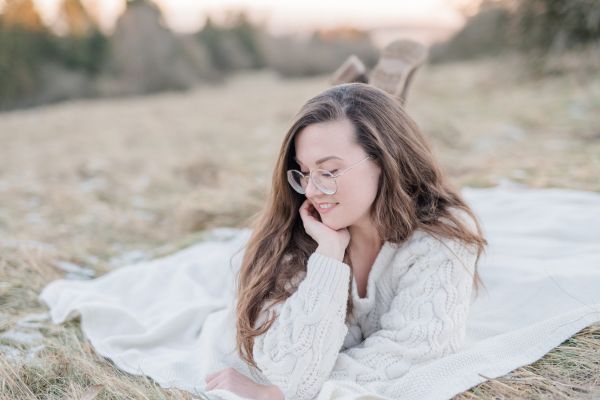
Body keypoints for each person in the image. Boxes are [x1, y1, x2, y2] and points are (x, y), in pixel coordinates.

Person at [203, 82, 488, 400]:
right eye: (304, 172)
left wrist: (278, 394)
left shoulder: (442, 237)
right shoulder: (295, 233)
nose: (311, 191)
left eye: (329, 171)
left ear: (384, 160)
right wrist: (328, 256)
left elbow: (418, 351)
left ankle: (378, 80)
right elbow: (286, 373)